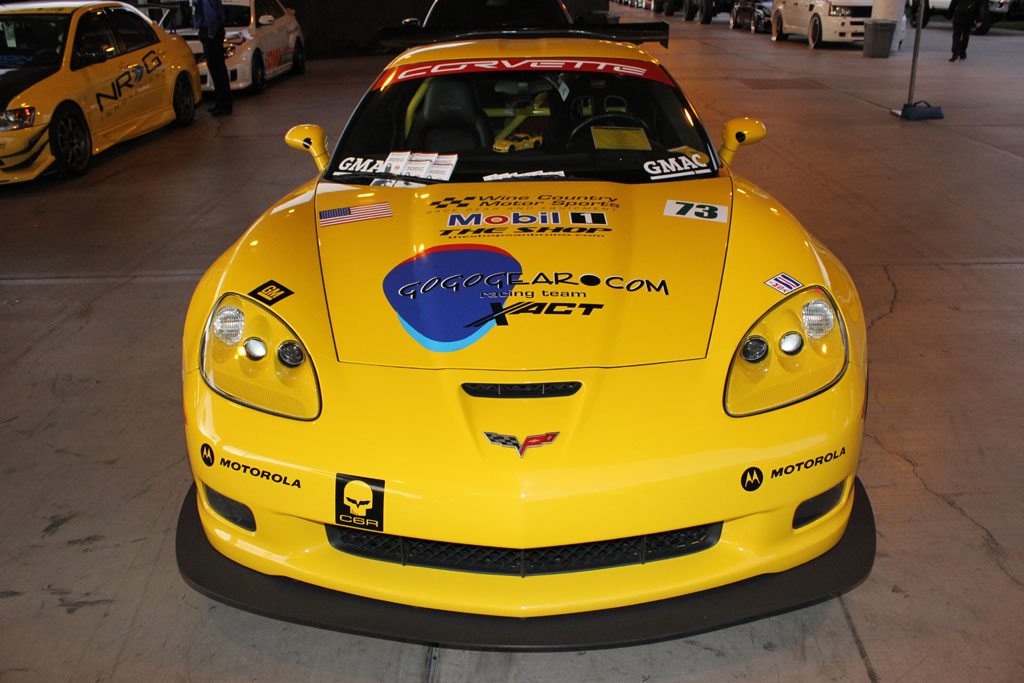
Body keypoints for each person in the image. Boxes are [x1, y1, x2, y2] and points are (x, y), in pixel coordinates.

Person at [193, 0, 233, 114]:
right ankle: (221, 102)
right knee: (218, 69)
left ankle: (224, 104)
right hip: (214, 33)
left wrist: (211, 34)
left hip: (211, 35)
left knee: (216, 69)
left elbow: (210, 15)